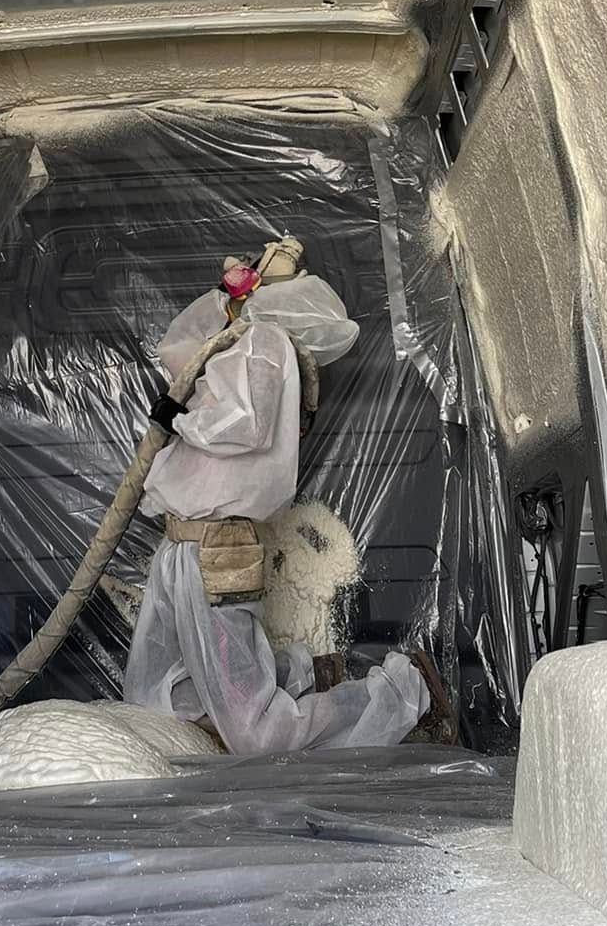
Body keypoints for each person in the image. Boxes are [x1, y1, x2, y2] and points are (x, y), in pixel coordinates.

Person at [123, 238, 431, 753]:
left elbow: (247, 424)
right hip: (180, 546)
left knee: (256, 734)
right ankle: (308, 673)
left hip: (215, 550)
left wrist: (181, 419)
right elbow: (177, 354)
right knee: (158, 702)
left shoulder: (265, 342)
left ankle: (402, 693)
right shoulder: (234, 340)